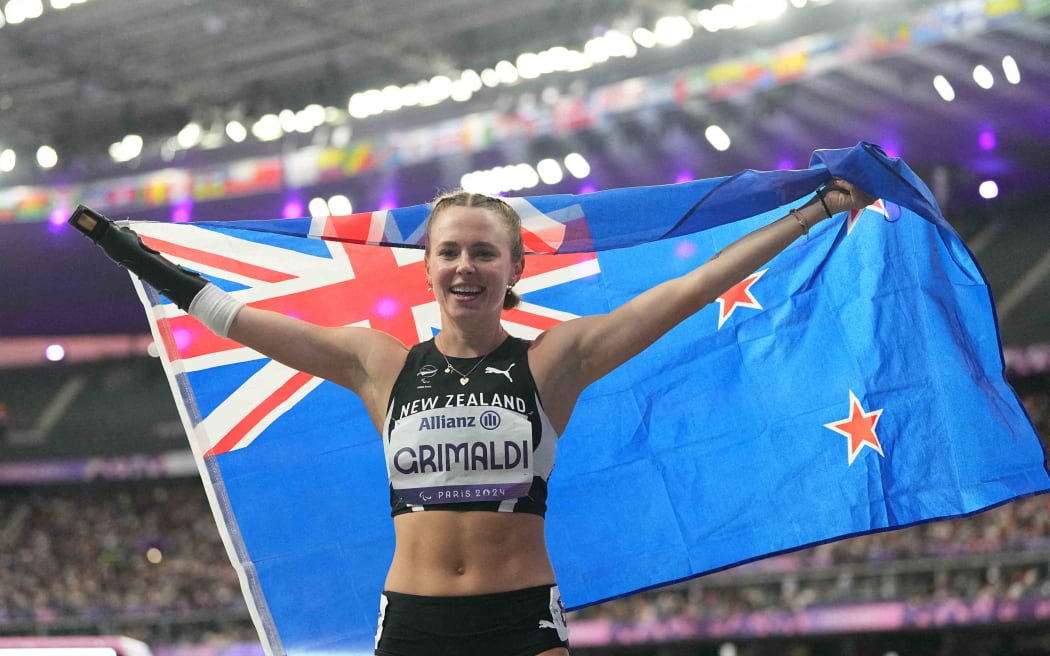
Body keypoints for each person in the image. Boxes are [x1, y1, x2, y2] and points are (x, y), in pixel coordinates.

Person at [69, 178, 875, 656]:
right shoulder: (376, 362)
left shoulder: (556, 361)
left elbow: (686, 292)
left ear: (515, 268)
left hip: (518, 619)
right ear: (425, 270)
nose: (465, 265)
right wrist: (132, 254)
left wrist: (805, 214)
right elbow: (237, 319)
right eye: (449, 252)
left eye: (484, 252)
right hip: (411, 622)